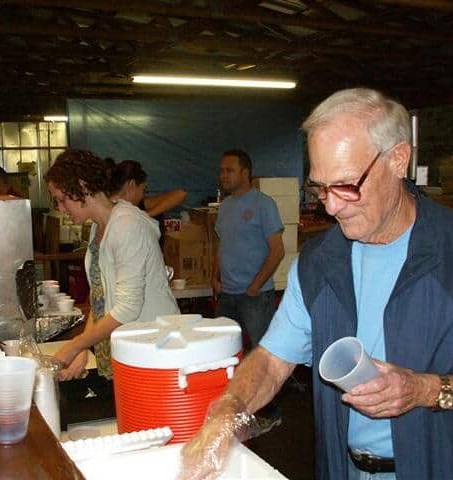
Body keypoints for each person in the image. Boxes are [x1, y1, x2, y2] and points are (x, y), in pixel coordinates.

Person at [179, 89, 453, 480]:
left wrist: (424, 390)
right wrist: (228, 408)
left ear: (398, 160)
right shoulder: (320, 262)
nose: (331, 206)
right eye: (319, 187)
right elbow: (273, 360)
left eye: (346, 185)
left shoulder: (448, 251)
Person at [45, 149, 179, 380]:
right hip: (129, 346)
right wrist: (84, 349)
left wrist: (75, 345)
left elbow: (127, 308)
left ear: (82, 187)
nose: (60, 208)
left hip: (154, 348)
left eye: (61, 199)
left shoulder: (127, 226)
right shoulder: (99, 226)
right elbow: (101, 297)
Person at [212, 149, 284, 350]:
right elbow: (222, 244)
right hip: (227, 293)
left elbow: (277, 250)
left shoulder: (263, 204)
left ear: (245, 173)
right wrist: (214, 277)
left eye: (229, 170)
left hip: (255, 296)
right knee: (221, 348)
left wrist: (255, 286)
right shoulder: (225, 206)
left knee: (261, 353)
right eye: (222, 171)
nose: (223, 175)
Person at [109, 159, 187, 218]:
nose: (142, 194)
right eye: (143, 189)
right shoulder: (114, 212)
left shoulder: (139, 205)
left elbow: (181, 194)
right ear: (132, 185)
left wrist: (145, 216)